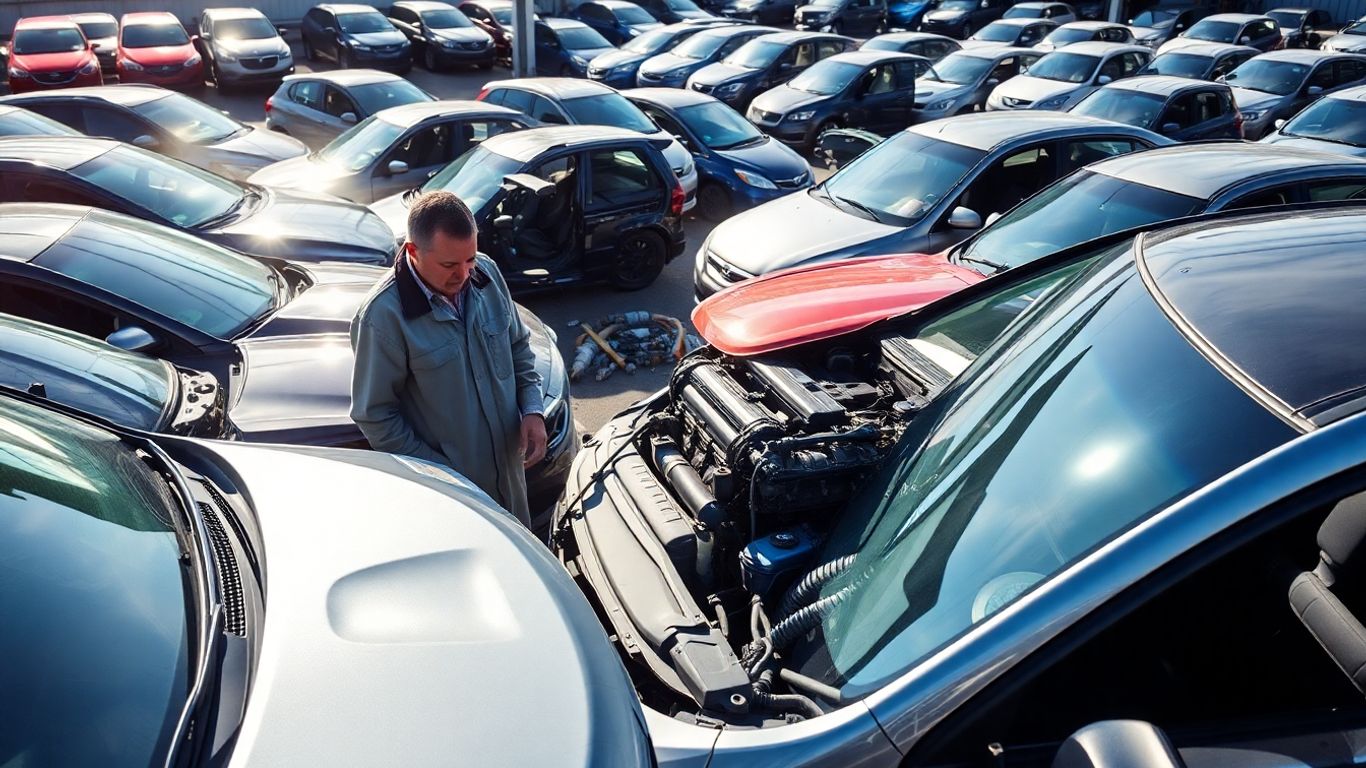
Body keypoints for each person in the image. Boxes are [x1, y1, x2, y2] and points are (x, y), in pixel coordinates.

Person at [350, 190, 546, 527]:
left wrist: (532, 410)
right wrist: (442, 474)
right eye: (449, 265)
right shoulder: (382, 318)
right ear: (413, 251)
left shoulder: (487, 274)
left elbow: (517, 346)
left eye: (470, 259)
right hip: (454, 504)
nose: (465, 274)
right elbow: (376, 417)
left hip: (510, 486)